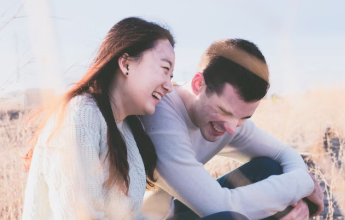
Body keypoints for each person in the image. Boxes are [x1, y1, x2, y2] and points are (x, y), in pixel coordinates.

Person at [139, 39, 324, 220]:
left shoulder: (229, 121)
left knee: (270, 168)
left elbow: (283, 152)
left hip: (172, 212)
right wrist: (302, 184)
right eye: (224, 111)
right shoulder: (160, 117)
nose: (231, 128)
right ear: (198, 84)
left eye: (244, 117)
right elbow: (220, 207)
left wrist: (299, 194)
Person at [22, 17, 175, 220]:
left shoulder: (125, 128)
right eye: (165, 70)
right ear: (126, 63)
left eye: (172, 76)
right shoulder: (80, 115)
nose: (169, 86)